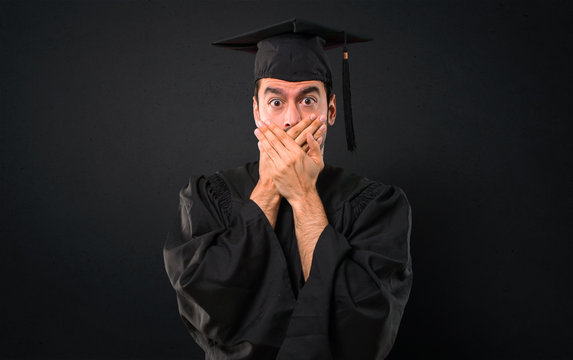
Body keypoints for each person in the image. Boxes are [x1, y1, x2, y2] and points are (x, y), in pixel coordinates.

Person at [163, 18, 413, 360]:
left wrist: (303, 195)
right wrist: (270, 185)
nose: (291, 120)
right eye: (276, 102)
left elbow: (364, 330)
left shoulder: (376, 206)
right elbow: (208, 308)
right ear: (256, 112)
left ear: (331, 110)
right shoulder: (210, 196)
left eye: (308, 100)